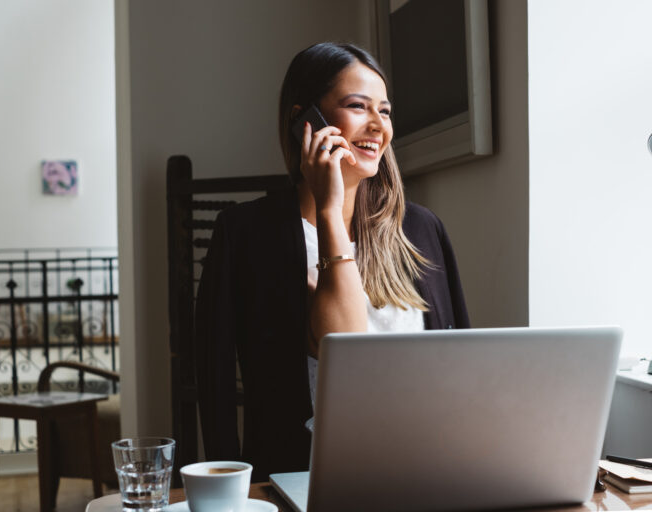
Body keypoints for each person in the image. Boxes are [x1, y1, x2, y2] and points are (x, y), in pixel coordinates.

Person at [194, 42, 469, 482]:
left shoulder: (420, 230)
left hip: (423, 471)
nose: (378, 125)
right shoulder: (244, 234)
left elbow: (460, 368)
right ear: (306, 121)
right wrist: (329, 208)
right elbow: (217, 385)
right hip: (299, 479)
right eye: (358, 107)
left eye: (386, 110)